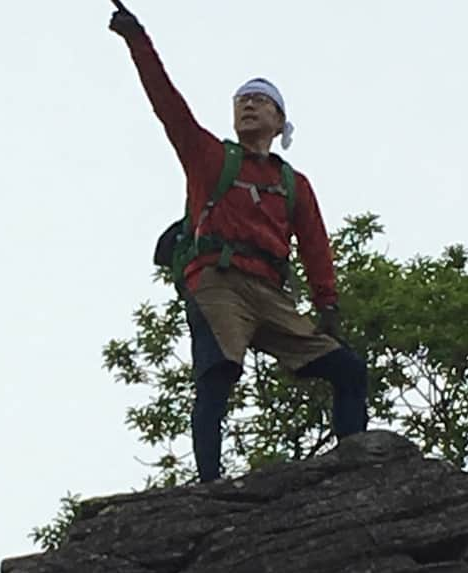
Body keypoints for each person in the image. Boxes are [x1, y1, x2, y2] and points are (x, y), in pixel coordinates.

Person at [109, 2, 368, 483]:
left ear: (279, 119)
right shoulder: (209, 157)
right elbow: (168, 103)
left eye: (259, 100)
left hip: (271, 293)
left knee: (349, 369)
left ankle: (355, 467)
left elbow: (315, 245)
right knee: (217, 374)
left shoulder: (294, 184)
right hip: (218, 282)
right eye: (241, 100)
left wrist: (327, 305)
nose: (248, 105)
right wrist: (137, 41)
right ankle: (210, 486)